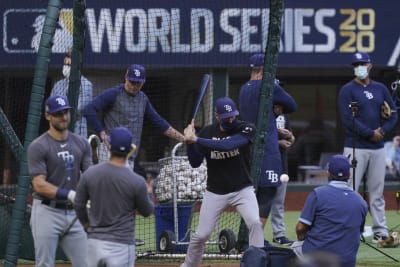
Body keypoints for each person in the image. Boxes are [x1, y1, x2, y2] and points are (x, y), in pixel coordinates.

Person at [180, 97, 264, 267]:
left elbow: (228, 145)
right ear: (217, 116)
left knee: (255, 222)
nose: (230, 119)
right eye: (226, 117)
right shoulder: (207, 133)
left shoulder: (246, 128)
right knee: (201, 235)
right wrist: (189, 142)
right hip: (215, 191)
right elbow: (195, 162)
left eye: (233, 116)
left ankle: (258, 263)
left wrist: (196, 140)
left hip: (242, 189)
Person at [237, 53, 297, 248]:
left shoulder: (244, 88)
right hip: (266, 149)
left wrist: (272, 112)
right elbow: (292, 105)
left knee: (253, 193)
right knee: (267, 192)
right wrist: (277, 108)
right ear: (264, 70)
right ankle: (254, 240)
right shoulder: (269, 86)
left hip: (249, 146)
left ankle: (248, 238)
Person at [338, 52, 398, 242]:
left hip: (378, 147)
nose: (360, 66)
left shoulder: (380, 88)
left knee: (377, 191)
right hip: (355, 146)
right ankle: (350, 230)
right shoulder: (347, 90)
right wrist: (370, 133)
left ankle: (380, 231)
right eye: (357, 64)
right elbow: (347, 120)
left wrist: (383, 130)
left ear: (370, 66)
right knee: (350, 191)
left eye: (363, 63)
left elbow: (394, 112)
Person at [74, 126, 154, 267]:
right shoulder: (136, 181)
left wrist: (87, 225)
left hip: (95, 242)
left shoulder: (90, 174)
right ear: (130, 149)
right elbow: (147, 211)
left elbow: (79, 204)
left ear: (109, 146)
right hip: (122, 245)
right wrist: (149, 192)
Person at [27, 95, 92, 266]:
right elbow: (38, 184)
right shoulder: (38, 146)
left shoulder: (81, 143)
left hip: (73, 213)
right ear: (48, 115)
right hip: (47, 212)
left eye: (66, 112)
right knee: (45, 264)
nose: (64, 117)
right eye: (58, 114)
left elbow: (90, 175)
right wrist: (69, 194)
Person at [84, 64, 184, 169]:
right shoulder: (114, 93)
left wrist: (182, 138)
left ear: (143, 82)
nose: (134, 86)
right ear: (126, 78)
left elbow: (159, 123)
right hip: (110, 152)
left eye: (138, 83)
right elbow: (89, 110)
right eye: (132, 82)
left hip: (130, 154)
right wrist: (102, 134)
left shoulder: (143, 99)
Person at [291, 154, 368, 267]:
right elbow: (358, 231)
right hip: (347, 262)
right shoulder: (361, 202)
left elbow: (300, 228)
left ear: (328, 173)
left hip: (317, 258)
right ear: (350, 175)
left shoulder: (318, 193)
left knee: (293, 248)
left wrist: (303, 239)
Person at [51, 49, 93, 138]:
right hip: (59, 132)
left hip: (78, 133)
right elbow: (50, 106)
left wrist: (59, 112)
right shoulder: (58, 85)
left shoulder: (86, 85)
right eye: (65, 64)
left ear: (76, 67)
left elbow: (79, 109)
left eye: (69, 65)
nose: (66, 67)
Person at [271, 104, 295, 245]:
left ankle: (278, 235)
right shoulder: (262, 114)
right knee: (260, 202)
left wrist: (289, 136)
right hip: (265, 164)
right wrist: (277, 142)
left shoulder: (284, 116)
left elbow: (292, 139)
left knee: (279, 203)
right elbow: (257, 138)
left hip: (281, 165)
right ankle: (254, 236)